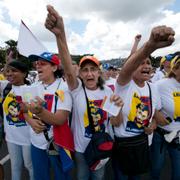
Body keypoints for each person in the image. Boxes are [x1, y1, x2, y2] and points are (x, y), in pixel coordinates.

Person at [44, 5, 124, 180]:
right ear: (80, 73)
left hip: (102, 146)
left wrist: (118, 108)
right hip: (80, 148)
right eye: (85, 70)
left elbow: (116, 123)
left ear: (99, 73)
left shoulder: (108, 91)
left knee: (98, 177)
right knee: (81, 176)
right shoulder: (77, 89)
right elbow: (66, 63)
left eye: (93, 69)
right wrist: (60, 34)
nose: (89, 73)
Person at [112, 26, 175, 179]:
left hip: (143, 145)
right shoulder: (124, 85)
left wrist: (153, 126)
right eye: (141, 63)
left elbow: (154, 115)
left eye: (148, 63)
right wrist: (150, 46)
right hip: (123, 146)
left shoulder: (153, 88)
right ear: (133, 67)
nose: (146, 66)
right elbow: (127, 68)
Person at [23, 52, 74, 180]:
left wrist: (40, 112)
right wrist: (30, 121)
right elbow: (23, 109)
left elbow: (60, 120)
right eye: (37, 63)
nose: (38, 66)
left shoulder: (64, 88)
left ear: (54, 67)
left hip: (56, 143)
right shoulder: (33, 87)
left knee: (61, 177)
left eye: (43, 64)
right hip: (36, 143)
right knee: (40, 177)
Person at [0, 60, 34, 180]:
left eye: (14, 71)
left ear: (24, 74)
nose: (10, 74)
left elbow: (32, 111)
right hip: (11, 137)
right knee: (15, 166)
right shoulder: (6, 87)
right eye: (8, 71)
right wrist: (8, 62)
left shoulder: (30, 90)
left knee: (29, 166)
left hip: (27, 138)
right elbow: (4, 73)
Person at [150, 55, 180, 180]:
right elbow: (147, 101)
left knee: (178, 170)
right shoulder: (161, 85)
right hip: (161, 135)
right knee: (157, 167)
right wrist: (156, 114)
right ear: (175, 69)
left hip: (178, 136)